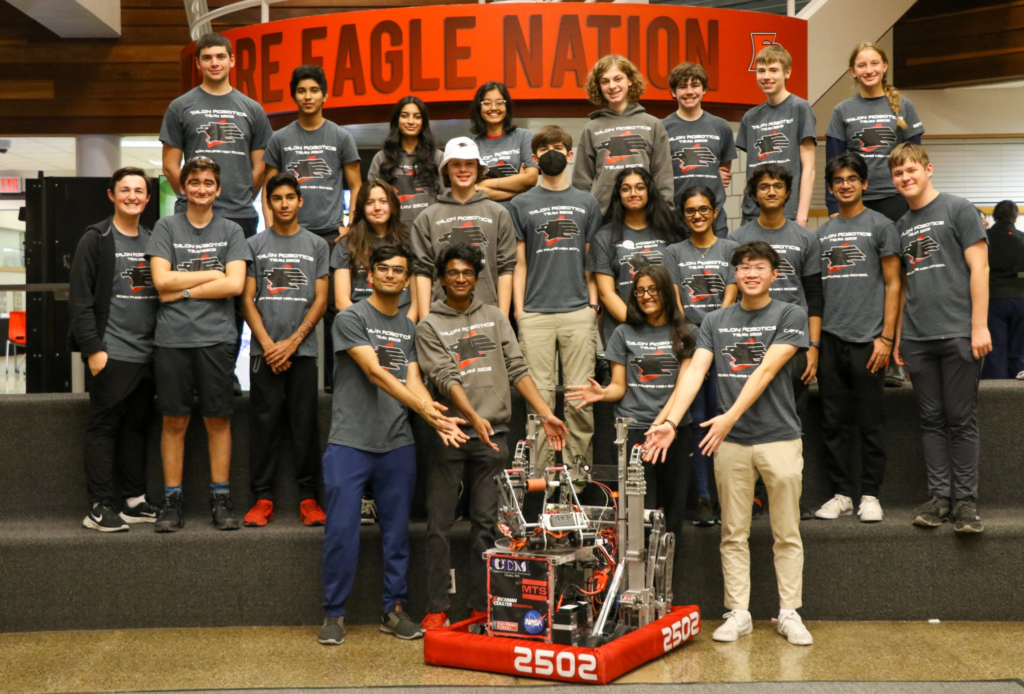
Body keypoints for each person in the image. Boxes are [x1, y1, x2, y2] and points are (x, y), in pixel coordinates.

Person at [645, 241, 813, 647]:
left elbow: (767, 370)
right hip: (731, 443)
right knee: (732, 532)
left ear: (775, 274)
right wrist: (669, 420)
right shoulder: (715, 321)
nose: (751, 273)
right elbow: (694, 373)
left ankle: (789, 612)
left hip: (779, 437)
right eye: (743, 267)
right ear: (734, 276)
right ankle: (739, 612)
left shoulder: (791, 314)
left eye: (759, 267)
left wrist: (729, 416)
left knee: (785, 531)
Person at [317, 245, 468, 647]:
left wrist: (433, 415)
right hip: (350, 442)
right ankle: (334, 613)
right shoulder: (350, 318)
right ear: (371, 276)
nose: (388, 275)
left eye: (397, 270)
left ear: (406, 282)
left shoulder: (409, 328)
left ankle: (393, 610)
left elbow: (413, 380)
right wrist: (421, 405)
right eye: (381, 268)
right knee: (342, 532)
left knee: (397, 533)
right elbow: (375, 372)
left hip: (397, 443)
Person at [416, 244, 569, 630]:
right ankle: (437, 607)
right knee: (439, 525)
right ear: (441, 278)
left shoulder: (496, 317)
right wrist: (471, 417)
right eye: (453, 273)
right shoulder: (429, 325)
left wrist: (545, 413)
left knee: (486, 526)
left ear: (477, 277)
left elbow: (518, 368)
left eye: (468, 272)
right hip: (450, 436)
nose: (462, 279)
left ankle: (480, 607)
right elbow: (445, 378)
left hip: (492, 437)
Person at [160, 33, 273, 394]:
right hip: (189, 217)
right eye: (206, 57)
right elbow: (169, 163)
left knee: (237, 295)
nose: (214, 63)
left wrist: (238, 196)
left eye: (220, 57)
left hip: (239, 215)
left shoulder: (252, 108)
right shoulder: (181, 106)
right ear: (198, 64)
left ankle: (224, 372)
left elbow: (262, 166)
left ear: (232, 61)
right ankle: (187, 370)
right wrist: (195, 196)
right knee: (189, 280)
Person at [889, 143, 991, 533]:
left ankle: (965, 503)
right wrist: (899, 338)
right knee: (931, 420)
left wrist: (979, 326)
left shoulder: (958, 208)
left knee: (960, 419)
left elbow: (979, 269)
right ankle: (939, 499)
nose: (905, 178)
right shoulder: (900, 226)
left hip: (959, 334)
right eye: (898, 174)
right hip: (917, 337)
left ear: (928, 169)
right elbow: (905, 287)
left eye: (911, 170)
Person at [146, 157, 250, 533]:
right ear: (183, 187)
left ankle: (220, 500)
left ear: (218, 190)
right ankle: (172, 501)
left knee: (217, 420)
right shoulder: (166, 227)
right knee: (174, 420)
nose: (201, 188)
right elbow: (160, 280)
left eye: (208, 182)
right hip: (173, 339)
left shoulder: (232, 231)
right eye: (194, 182)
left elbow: (235, 285)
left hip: (217, 339)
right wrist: (211, 274)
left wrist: (184, 287)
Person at [567, 265, 695, 533]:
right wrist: (602, 393)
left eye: (652, 290)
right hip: (635, 432)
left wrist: (661, 423)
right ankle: (638, 573)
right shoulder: (623, 333)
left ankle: (664, 573)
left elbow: (684, 388)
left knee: (672, 515)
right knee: (638, 515)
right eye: (639, 291)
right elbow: (618, 387)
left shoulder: (686, 332)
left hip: (674, 430)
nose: (646, 296)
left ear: (666, 293)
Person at [262, 65, 362, 393]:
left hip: (331, 236)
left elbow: (356, 185)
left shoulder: (340, 136)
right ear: (294, 96)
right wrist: (269, 227)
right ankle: (278, 366)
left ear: (325, 95)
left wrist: (350, 225)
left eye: (314, 90)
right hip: (290, 235)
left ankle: (335, 381)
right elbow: (269, 186)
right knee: (286, 303)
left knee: (335, 309)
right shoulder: (280, 138)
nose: (308, 96)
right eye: (302, 91)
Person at [813, 153, 901, 523]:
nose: (845, 184)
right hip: (831, 338)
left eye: (852, 178)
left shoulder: (881, 226)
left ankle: (869, 494)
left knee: (869, 420)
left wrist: (886, 338)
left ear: (864, 184)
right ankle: (841, 493)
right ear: (831, 188)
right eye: (838, 180)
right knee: (833, 421)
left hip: (869, 339)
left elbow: (895, 283)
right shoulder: (822, 233)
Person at [70, 167, 159, 532]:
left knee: (136, 427)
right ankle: (99, 506)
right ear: (112, 195)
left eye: (139, 190)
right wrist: (94, 349)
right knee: (104, 428)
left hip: (147, 354)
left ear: (148, 199)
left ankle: (133, 501)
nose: (133, 196)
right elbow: (79, 299)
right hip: (111, 351)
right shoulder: (96, 238)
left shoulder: (154, 239)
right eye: (125, 190)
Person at [509, 125, 602, 475]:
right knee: (540, 404)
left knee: (580, 404)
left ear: (569, 153)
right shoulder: (521, 204)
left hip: (578, 312)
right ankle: (540, 485)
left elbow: (591, 260)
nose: (552, 152)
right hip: (535, 313)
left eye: (559, 146)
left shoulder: (586, 201)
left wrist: (592, 306)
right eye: (545, 148)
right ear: (534, 158)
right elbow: (518, 262)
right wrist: (519, 311)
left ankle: (577, 483)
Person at [731, 164, 821, 519]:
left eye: (778, 186)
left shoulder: (805, 237)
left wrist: (813, 345)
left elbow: (814, 293)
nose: (770, 191)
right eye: (764, 186)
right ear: (754, 195)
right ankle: (753, 494)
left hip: (792, 344)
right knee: (748, 414)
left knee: (791, 420)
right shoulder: (738, 238)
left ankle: (790, 495)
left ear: (787, 193)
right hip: (748, 339)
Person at [241, 174, 330, 528]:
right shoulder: (254, 244)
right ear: (269, 203)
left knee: (306, 426)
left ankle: (309, 499)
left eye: (290, 197)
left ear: (300, 201)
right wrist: (267, 346)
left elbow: (321, 299)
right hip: (264, 354)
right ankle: (262, 499)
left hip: (303, 353)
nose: (284, 204)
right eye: (276, 198)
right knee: (263, 426)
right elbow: (247, 299)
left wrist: (292, 342)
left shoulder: (316, 245)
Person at [664, 186, 739, 526]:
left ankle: (731, 499)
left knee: (723, 421)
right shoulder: (673, 252)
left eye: (704, 209)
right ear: (683, 215)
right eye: (691, 210)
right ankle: (705, 499)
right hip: (689, 345)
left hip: (725, 343)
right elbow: (676, 304)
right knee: (695, 424)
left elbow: (731, 296)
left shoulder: (730, 249)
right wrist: (693, 342)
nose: (697, 215)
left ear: (715, 212)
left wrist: (714, 335)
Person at [411, 137, 516, 320]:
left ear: (479, 168)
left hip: (488, 316)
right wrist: (426, 322)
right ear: (446, 169)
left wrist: (503, 319)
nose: (463, 170)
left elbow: (506, 268)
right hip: (441, 318)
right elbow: (423, 272)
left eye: (469, 163)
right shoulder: (426, 218)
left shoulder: (499, 214)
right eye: (456, 164)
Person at [826, 42, 924, 223]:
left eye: (874, 63)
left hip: (897, 197)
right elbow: (833, 163)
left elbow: (918, 160)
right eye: (862, 65)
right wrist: (833, 206)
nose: (869, 70)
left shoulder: (905, 106)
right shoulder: (842, 110)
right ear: (853, 71)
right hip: (856, 199)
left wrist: (920, 198)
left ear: (885, 66)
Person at [587, 167, 685, 346]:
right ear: (618, 194)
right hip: (624, 329)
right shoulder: (604, 236)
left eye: (640, 187)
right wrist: (637, 325)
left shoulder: (671, 230)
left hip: (668, 329)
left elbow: (678, 283)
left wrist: (664, 324)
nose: (633, 193)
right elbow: (606, 293)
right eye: (626, 189)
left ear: (649, 191)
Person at [573, 55, 674, 214]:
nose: (612, 86)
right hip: (604, 216)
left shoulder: (652, 125)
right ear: (599, 87)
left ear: (630, 80)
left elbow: (663, 177)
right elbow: (581, 183)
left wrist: (664, 214)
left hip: (646, 216)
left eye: (618, 79)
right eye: (605, 81)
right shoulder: (591, 129)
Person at [737, 45, 816, 226]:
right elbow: (750, 169)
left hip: (787, 212)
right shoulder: (751, 117)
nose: (766, 77)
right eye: (761, 71)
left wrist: (801, 217)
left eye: (773, 70)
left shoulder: (800, 108)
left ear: (787, 73)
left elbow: (809, 168)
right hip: (752, 215)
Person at [663, 63, 737, 238]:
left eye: (695, 85)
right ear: (673, 92)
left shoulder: (721, 127)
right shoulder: (661, 128)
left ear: (704, 89)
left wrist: (713, 171)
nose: (689, 92)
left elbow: (724, 169)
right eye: (682, 86)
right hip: (675, 222)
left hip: (714, 222)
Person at [334, 179, 415, 322]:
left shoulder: (409, 241)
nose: (377, 208)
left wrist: (406, 329)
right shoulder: (347, 243)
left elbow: (416, 302)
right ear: (361, 207)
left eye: (383, 201)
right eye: (370, 203)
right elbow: (341, 301)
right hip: (359, 320)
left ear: (393, 206)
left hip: (401, 320)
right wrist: (368, 327)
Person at [368, 96, 445, 225]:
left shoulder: (437, 157)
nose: (410, 121)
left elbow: (446, 197)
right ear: (397, 120)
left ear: (423, 122)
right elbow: (371, 199)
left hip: (429, 232)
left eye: (417, 117)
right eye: (404, 116)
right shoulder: (381, 158)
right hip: (393, 234)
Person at [470, 82, 538, 206]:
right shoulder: (473, 146)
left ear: (507, 107)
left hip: (520, 212)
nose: (494, 107)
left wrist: (485, 184)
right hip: (487, 214)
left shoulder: (524, 137)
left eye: (500, 102)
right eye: (487, 103)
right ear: (479, 108)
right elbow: (474, 191)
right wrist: (519, 186)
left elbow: (531, 179)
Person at [982, 200, 1024, 379]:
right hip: (1021, 299)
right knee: (1018, 349)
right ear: (1015, 218)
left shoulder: (984, 238)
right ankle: (1016, 399)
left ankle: (996, 397)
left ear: (994, 217)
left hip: (994, 298)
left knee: (995, 351)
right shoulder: (1022, 238)